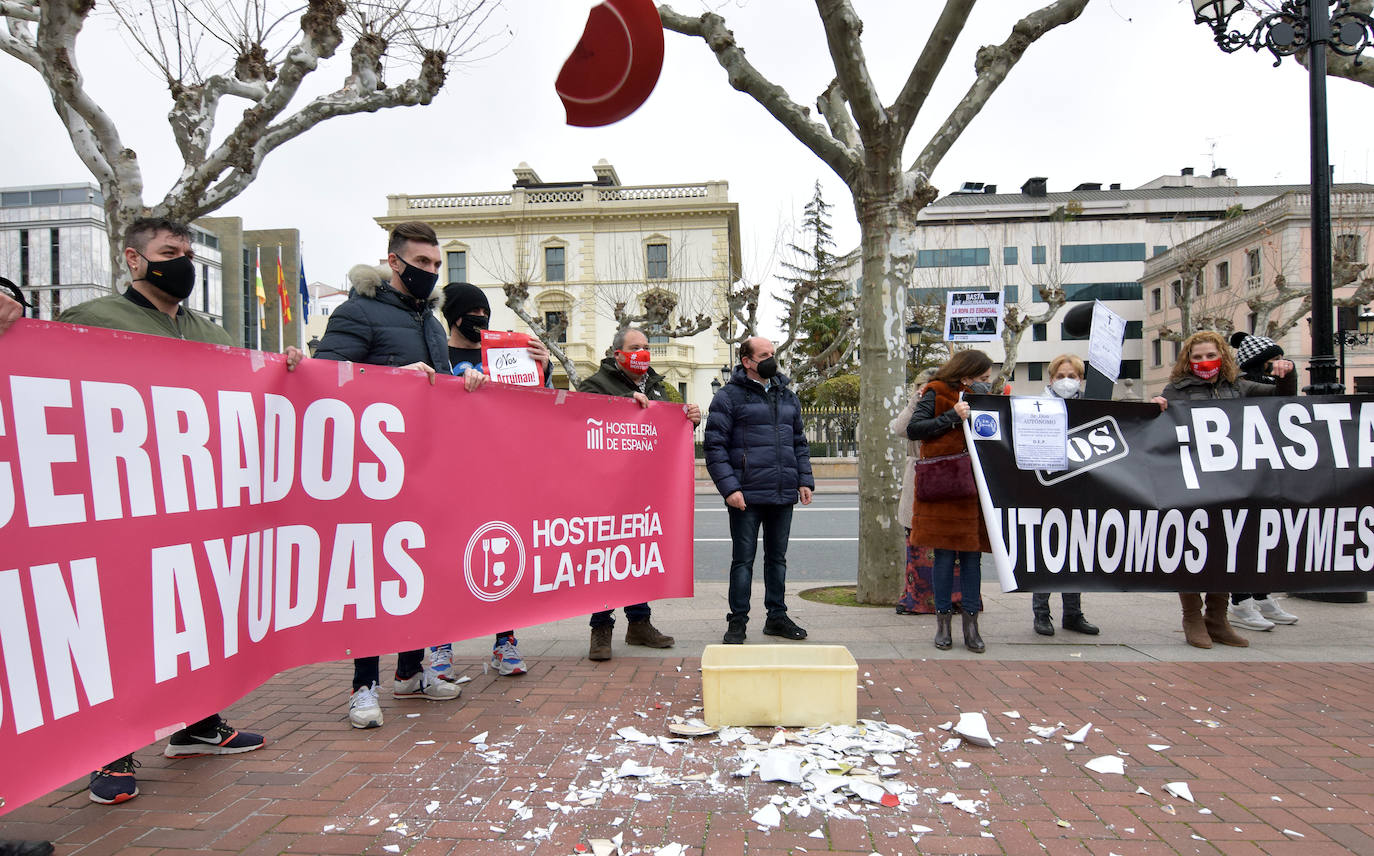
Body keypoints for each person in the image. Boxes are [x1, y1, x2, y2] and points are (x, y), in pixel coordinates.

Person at [51, 218, 266, 803]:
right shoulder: (92, 321)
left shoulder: (211, 331)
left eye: (187, 253)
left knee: (192, 617)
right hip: (123, 506)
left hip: (197, 503)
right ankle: (108, 750)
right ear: (133, 260)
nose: (183, 262)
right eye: (169, 252)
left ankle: (196, 724)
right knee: (122, 626)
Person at [312, 222, 463, 727]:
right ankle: (364, 686)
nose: (432, 272)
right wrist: (391, 380)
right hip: (374, 472)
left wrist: (462, 385)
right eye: (423, 263)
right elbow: (325, 378)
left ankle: (411, 673)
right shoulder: (356, 312)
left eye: (437, 265)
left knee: (418, 576)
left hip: (425, 469)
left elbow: (436, 393)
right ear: (394, 262)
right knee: (375, 582)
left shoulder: (433, 325)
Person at [1152, 330, 1297, 649]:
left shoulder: (1239, 387)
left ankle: (1217, 619)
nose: (1204, 361)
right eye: (1197, 356)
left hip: (1233, 484)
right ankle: (1192, 618)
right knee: (1191, 552)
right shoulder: (1175, 390)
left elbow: (1281, 401)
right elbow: (1157, 428)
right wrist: (1155, 407)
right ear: (1187, 361)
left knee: (1227, 548)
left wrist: (1288, 375)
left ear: (1223, 356)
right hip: (1192, 485)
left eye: (1210, 355)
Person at [436, 281, 550, 678]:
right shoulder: (437, 353)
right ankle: (441, 648)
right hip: (450, 473)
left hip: (502, 470)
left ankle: (505, 643)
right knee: (446, 563)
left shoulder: (505, 353)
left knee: (504, 557)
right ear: (452, 317)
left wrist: (543, 367)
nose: (481, 320)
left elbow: (538, 407)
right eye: (473, 314)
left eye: (486, 314)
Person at [577, 327, 701, 659]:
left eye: (646, 347)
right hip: (606, 488)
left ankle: (639, 623)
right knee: (606, 558)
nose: (643, 353)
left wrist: (691, 418)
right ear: (617, 353)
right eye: (636, 348)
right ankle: (600, 628)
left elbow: (673, 426)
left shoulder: (659, 386)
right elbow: (580, 422)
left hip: (645, 488)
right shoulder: (594, 385)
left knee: (637, 556)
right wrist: (623, 407)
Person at [704, 337, 814, 644]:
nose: (771, 360)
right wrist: (730, 489)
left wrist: (804, 480)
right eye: (764, 355)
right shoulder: (728, 397)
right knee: (743, 561)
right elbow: (714, 447)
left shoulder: (787, 396)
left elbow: (799, 443)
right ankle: (737, 621)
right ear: (747, 361)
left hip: (782, 492)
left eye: (773, 354)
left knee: (777, 560)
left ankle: (776, 617)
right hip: (745, 496)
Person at [907, 350, 993, 653]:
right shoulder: (935, 390)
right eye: (983, 376)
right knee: (943, 556)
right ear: (967, 372)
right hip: (945, 483)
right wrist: (951, 416)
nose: (987, 381)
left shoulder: (983, 396)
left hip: (974, 487)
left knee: (972, 557)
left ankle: (971, 625)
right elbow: (914, 430)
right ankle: (943, 624)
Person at [1225, 331, 1301, 631]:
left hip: (1271, 473)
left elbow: (1287, 399)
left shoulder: (1270, 387)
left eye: (1280, 360)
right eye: (1271, 362)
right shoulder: (1241, 387)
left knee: (1266, 539)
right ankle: (1241, 600)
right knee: (1244, 538)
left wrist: (1288, 375)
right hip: (1245, 474)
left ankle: (1261, 595)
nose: (1277, 366)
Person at [1031, 354, 1100, 637]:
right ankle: (1041, 613)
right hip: (1045, 489)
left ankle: (1073, 613)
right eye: (1060, 377)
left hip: (1080, 488)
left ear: (1081, 380)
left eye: (1072, 376)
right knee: (1046, 552)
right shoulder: (1035, 409)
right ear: (1051, 379)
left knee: (1076, 552)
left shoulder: (1089, 407)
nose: (1066, 382)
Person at [891, 368, 958, 615]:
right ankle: (917, 599)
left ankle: (953, 598)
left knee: (950, 547)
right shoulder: (917, 407)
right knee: (917, 544)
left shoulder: (953, 405)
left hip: (949, 479)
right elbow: (900, 428)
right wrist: (915, 401)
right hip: (919, 479)